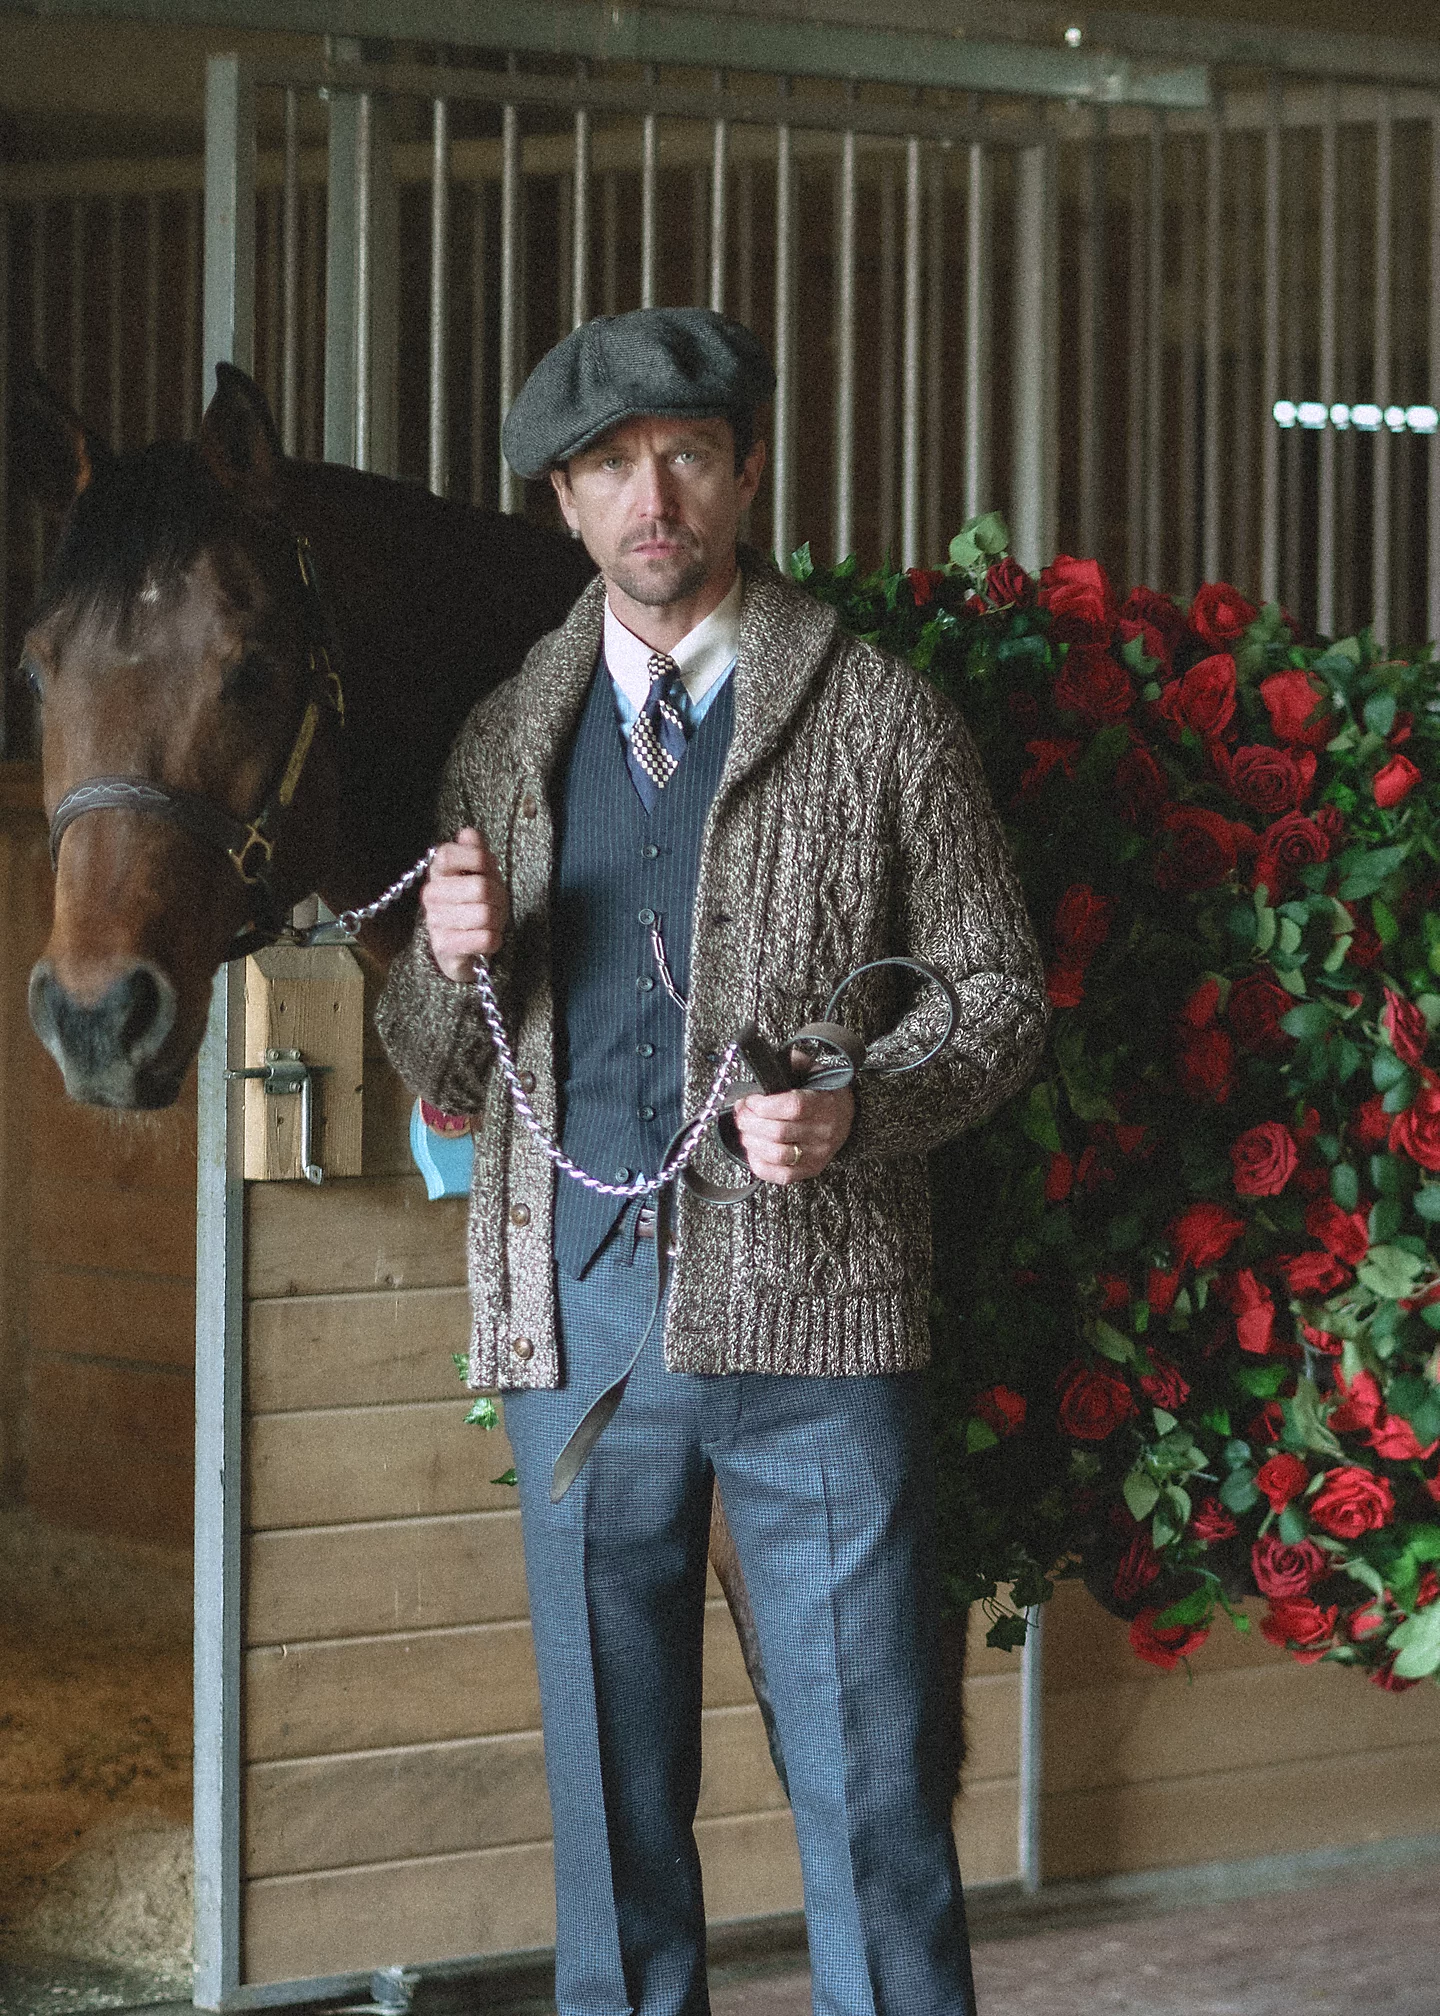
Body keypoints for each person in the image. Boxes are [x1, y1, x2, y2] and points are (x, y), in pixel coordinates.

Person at [375, 306, 1047, 2016]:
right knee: (612, 1821)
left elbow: (996, 999)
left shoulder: (881, 716)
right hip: (580, 1333)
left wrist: (859, 1103)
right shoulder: (502, 738)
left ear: (748, 471)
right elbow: (441, 1064)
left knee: (875, 1799)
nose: (651, 496)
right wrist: (445, 961)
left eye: (684, 453)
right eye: (609, 466)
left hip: (820, 1330)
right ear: (565, 504)